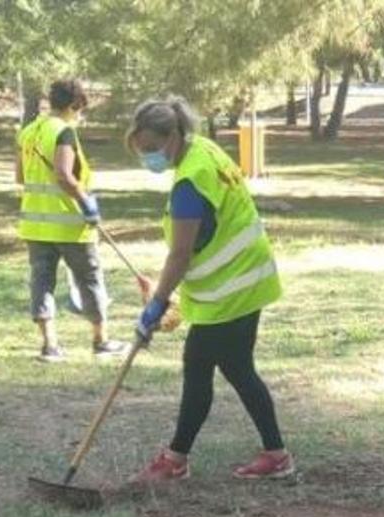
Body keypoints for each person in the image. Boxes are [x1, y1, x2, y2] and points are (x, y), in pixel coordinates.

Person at [124, 97, 290, 482]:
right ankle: (274, 453)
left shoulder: (189, 182)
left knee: (200, 364)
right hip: (242, 279)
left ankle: (176, 459)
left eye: (152, 149)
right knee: (235, 368)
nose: (148, 157)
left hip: (234, 287)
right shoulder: (203, 150)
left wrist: (157, 304)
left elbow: (181, 254)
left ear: (173, 137)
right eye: (141, 150)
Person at [15, 79, 127, 362]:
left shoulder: (28, 132)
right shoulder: (63, 132)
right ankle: (101, 340)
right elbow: (64, 175)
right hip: (70, 224)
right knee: (89, 279)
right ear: (73, 106)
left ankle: (49, 346)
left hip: (36, 226)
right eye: (80, 111)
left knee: (42, 283)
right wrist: (86, 202)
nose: (80, 118)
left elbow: (20, 177)